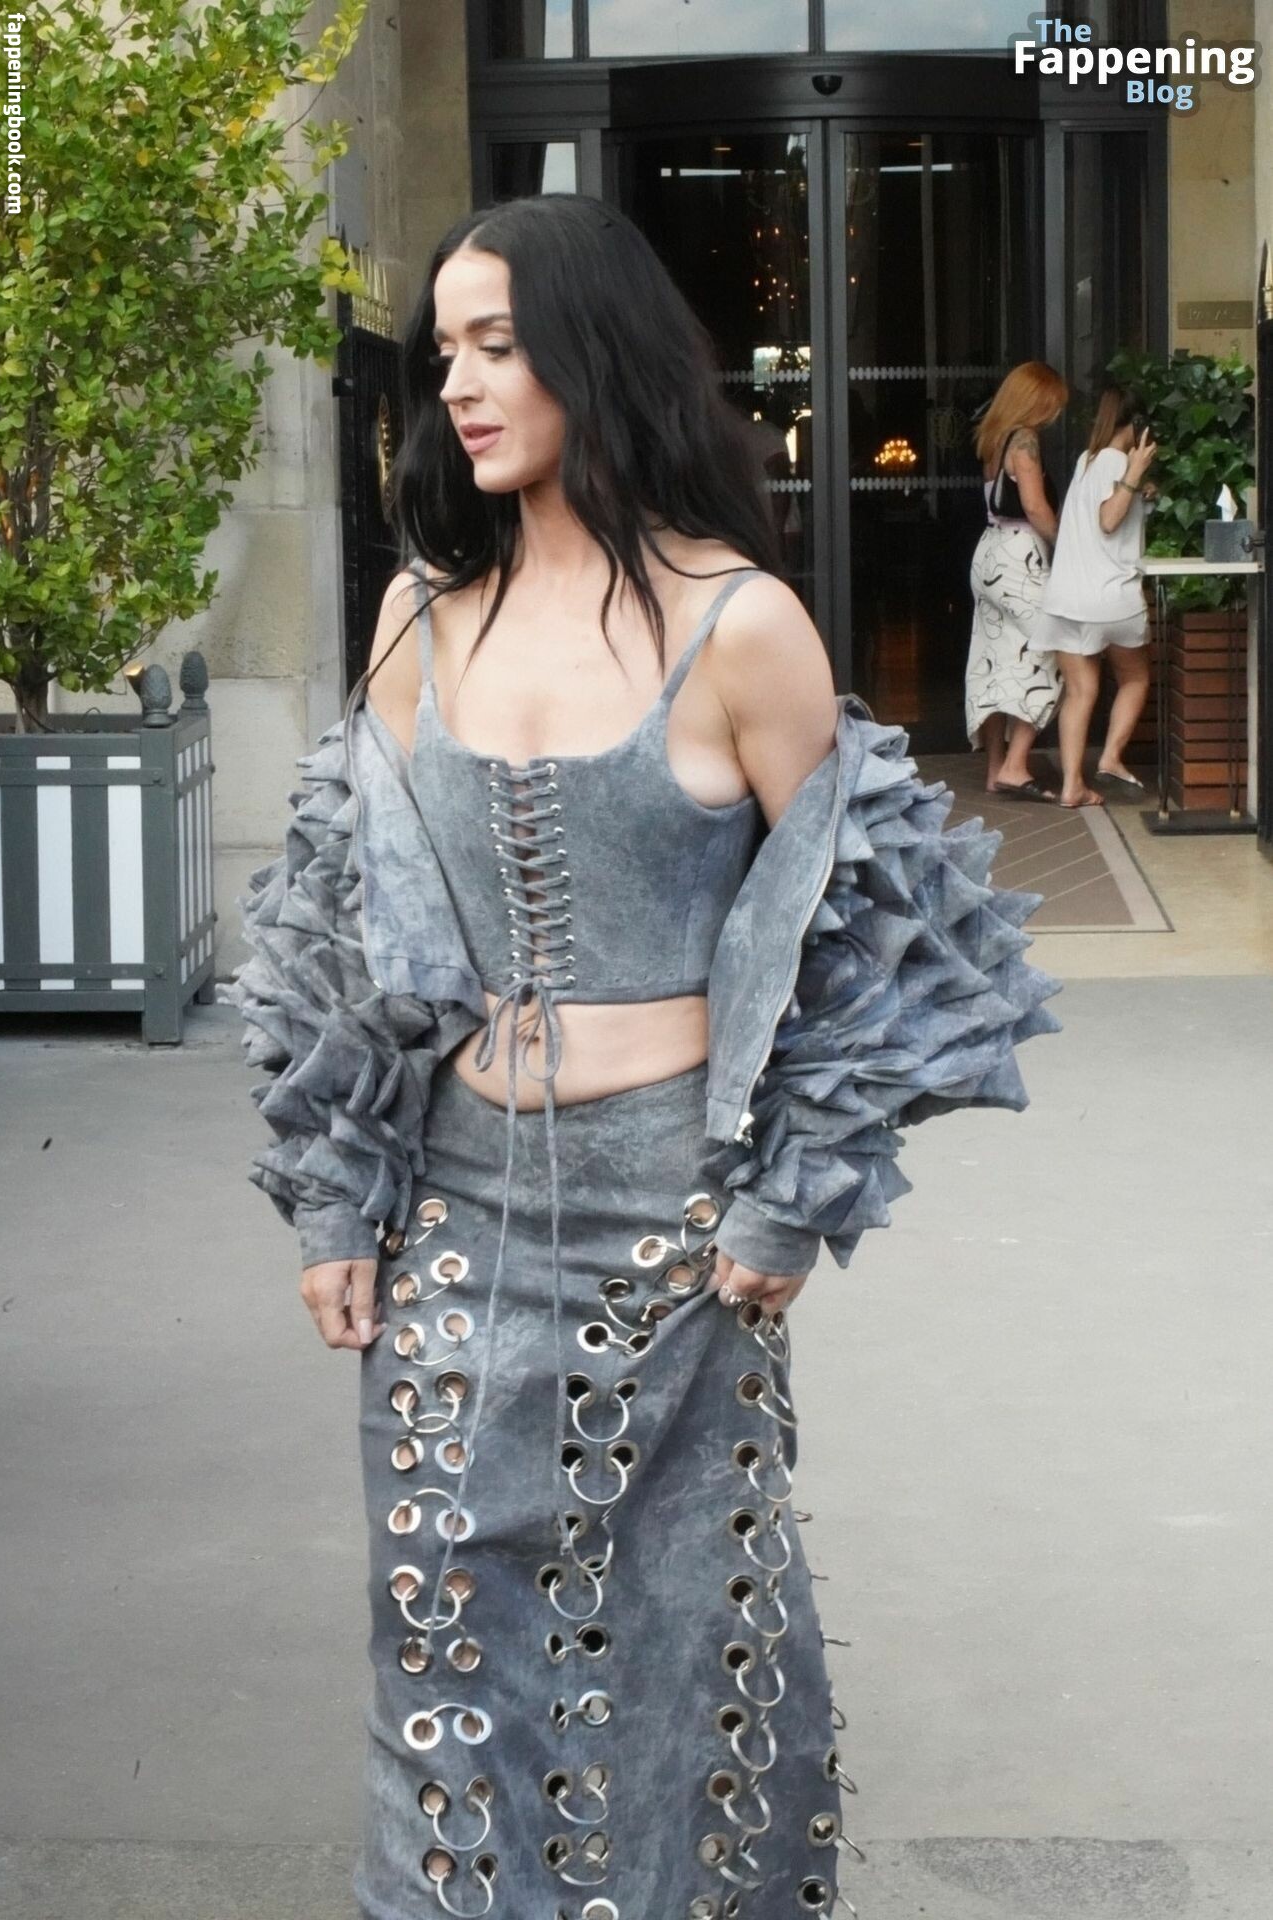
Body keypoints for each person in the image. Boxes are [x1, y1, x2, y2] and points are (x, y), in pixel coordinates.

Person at [223, 192, 1060, 1920]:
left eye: (496, 344)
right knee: (441, 1625)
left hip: (668, 1223)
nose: (458, 385)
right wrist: (333, 1196)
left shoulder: (737, 625)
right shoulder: (415, 619)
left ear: (591, 353)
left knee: (680, 1639)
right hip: (450, 1213)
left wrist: (788, 1195)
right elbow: (347, 932)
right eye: (443, 352)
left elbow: (876, 928)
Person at [1030, 385, 1157, 808]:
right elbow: (1108, 520)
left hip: (1067, 598)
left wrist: (1141, 487)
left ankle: (1072, 786)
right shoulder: (1120, 463)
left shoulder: (1086, 460)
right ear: (1136, 424)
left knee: (1080, 692)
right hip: (1111, 598)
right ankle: (1111, 757)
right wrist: (1135, 474)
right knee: (1135, 679)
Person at [966, 362, 1068, 802]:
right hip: (1020, 558)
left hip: (989, 553)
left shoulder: (994, 438)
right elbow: (1035, 506)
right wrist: (1067, 546)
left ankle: (995, 768)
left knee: (995, 660)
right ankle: (1016, 763)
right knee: (1055, 650)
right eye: (1053, 404)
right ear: (1036, 400)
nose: (1055, 414)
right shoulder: (1025, 440)